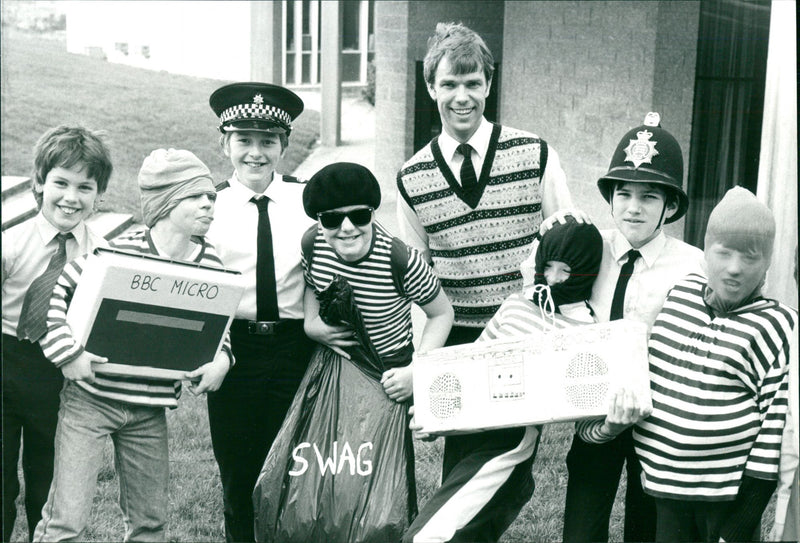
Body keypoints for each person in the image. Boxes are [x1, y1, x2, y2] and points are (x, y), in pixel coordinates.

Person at [396, 22, 579, 542]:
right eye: (450, 84)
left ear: (489, 84)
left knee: (493, 469)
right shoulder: (412, 178)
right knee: (466, 475)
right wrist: (424, 369)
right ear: (431, 87)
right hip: (456, 345)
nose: (462, 96)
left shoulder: (534, 153)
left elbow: (566, 249)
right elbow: (420, 285)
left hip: (520, 344)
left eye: (473, 83)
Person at [32, 149, 234, 541]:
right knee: (66, 520)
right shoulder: (116, 251)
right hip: (89, 402)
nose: (209, 203)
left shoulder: (211, 264)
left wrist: (221, 360)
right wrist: (68, 354)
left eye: (211, 196)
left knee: (150, 522)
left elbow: (218, 327)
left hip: (149, 411)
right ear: (165, 201)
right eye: (196, 196)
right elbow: (51, 299)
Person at [561, 112, 706, 543]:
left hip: (657, 418)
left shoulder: (693, 265)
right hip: (596, 410)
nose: (633, 207)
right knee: (582, 528)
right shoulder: (590, 248)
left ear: (672, 205)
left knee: (646, 528)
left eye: (648, 197)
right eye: (622, 193)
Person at [633, 186, 796, 542]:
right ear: (706, 252)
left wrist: (738, 527)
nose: (734, 269)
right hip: (665, 491)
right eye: (723, 253)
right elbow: (657, 378)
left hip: (726, 504)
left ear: (767, 264)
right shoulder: (680, 296)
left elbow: (773, 438)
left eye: (750, 257)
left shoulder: (778, 326)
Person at [204, 82, 316, 542]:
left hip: (296, 348)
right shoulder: (208, 206)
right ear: (224, 142)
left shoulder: (307, 200)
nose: (256, 153)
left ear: (284, 145)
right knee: (239, 475)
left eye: (268, 141)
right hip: (236, 351)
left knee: (298, 471)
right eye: (244, 141)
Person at [2, 125, 113, 541]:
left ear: (99, 195)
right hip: (7, 357)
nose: (71, 197)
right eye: (60, 183)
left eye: (85, 187)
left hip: (61, 370)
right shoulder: (10, 243)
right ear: (38, 183)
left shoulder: (101, 253)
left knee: (48, 482)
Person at [302, 162, 453, 397]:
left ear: (373, 213)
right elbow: (311, 283)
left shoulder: (402, 262)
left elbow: (441, 314)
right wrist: (311, 323)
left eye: (359, 215)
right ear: (319, 222)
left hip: (389, 372)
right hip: (336, 363)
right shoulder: (312, 245)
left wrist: (417, 370)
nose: (347, 228)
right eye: (332, 219)